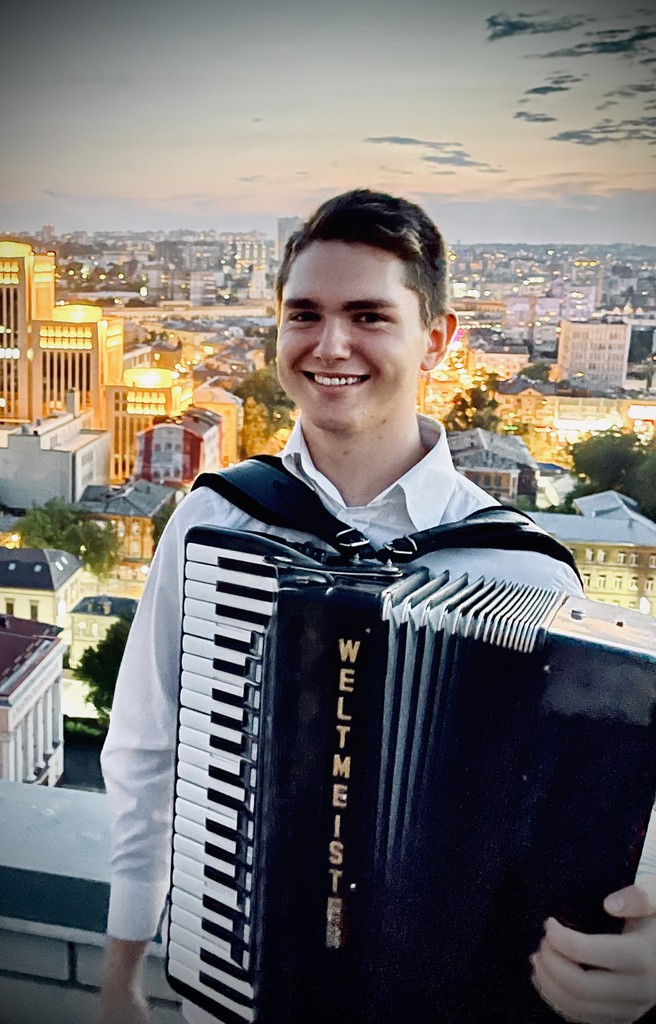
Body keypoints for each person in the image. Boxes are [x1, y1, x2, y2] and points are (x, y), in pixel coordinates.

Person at [100, 189, 656, 1024]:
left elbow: (587, 834)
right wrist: (120, 977)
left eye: (368, 316)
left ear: (436, 339)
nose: (330, 345)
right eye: (304, 315)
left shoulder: (528, 576)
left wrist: (637, 953)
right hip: (233, 999)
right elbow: (148, 752)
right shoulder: (214, 521)